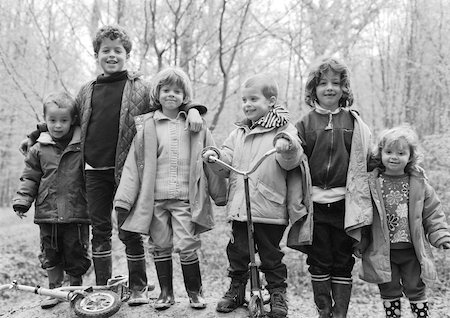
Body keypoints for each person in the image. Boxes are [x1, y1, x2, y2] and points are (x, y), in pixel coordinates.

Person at [19, 25, 207, 305]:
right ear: (97, 54)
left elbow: (170, 103)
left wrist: (193, 109)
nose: (111, 55)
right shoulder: (87, 90)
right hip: (94, 171)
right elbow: (66, 120)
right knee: (100, 230)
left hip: (129, 171)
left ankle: (138, 286)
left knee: (130, 229)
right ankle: (102, 287)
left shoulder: (141, 88)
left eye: (117, 50)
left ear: (127, 54)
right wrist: (35, 135)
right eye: (105, 50)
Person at [113, 67, 227, 310]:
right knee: (160, 244)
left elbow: (211, 158)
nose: (171, 95)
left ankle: (194, 292)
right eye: (166, 90)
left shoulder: (196, 125)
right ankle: (165, 293)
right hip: (155, 200)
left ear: (185, 96)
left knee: (187, 244)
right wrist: (123, 199)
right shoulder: (148, 127)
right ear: (158, 93)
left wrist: (220, 194)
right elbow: (134, 165)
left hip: (186, 198)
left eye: (177, 91)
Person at [202, 73, 309, 318]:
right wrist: (214, 157)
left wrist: (287, 146)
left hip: (269, 207)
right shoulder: (238, 133)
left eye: (254, 99)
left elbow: (292, 159)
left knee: (271, 255)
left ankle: (277, 293)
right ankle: (237, 289)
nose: (247, 104)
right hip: (241, 207)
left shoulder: (284, 130)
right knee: (238, 251)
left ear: (271, 101)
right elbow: (227, 160)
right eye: (244, 100)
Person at [287, 57, 373, 318]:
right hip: (315, 207)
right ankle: (324, 311)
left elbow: (367, 156)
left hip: (345, 206)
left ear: (344, 89)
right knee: (319, 259)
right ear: (313, 90)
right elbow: (290, 147)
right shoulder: (306, 122)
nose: (329, 88)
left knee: (343, 261)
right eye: (323, 83)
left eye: (336, 83)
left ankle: (340, 313)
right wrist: (284, 142)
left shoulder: (354, 122)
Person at [360, 125, 450, 318]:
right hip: (383, 250)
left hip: (412, 250)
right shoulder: (373, 183)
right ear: (381, 153)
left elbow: (433, 212)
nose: (394, 156)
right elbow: (362, 215)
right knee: (389, 288)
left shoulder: (418, 183)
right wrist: (359, 241)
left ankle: (421, 315)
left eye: (401, 152)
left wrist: (440, 235)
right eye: (389, 151)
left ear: (410, 156)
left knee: (415, 287)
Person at [12, 92, 90, 309]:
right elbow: (30, 177)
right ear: (44, 121)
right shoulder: (38, 148)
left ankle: (75, 289)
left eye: (63, 120)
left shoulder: (82, 145)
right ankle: (54, 290)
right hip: (47, 212)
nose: (58, 125)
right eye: (52, 120)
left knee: (76, 253)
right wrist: (22, 201)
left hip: (77, 212)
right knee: (50, 252)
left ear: (73, 119)